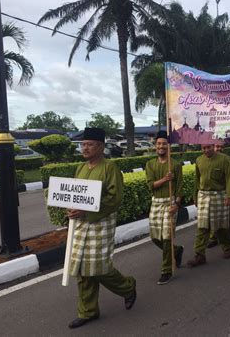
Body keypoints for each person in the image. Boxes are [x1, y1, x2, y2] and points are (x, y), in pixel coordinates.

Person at [67, 128, 136, 329]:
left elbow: (114, 198)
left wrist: (87, 212)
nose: (85, 148)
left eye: (89, 144)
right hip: (81, 223)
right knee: (82, 268)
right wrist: (71, 209)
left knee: (98, 266)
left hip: (101, 222)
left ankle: (128, 287)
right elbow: (74, 194)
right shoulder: (80, 168)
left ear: (101, 147)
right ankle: (88, 311)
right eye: (83, 144)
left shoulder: (110, 168)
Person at [187, 143, 230, 267]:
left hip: (219, 195)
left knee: (220, 226)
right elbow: (197, 180)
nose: (206, 150)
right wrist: (195, 197)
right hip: (203, 195)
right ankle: (199, 255)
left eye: (209, 147)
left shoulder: (225, 159)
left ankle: (227, 247)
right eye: (204, 148)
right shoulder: (199, 160)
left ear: (213, 146)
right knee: (202, 226)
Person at [145, 130, 184, 285]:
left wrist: (176, 204)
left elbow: (180, 187)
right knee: (155, 237)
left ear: (169, 146)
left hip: (170, 202)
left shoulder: (175, 164)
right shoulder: (150, 164)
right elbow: (151, 185)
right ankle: (177, 250)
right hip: (156, 202)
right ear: (155, 146)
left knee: (167, 237)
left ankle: (166, 270)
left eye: (164, 144)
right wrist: (165, 179)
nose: (161, 146)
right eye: (159, 143)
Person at [207, 142, 230, 247]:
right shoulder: (206, 159)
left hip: (225, 192)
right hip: (212, 194)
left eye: (221, 147)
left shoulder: (227, 159)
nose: (219, 148)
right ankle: (213, 237)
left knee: (227, 216)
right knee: (213, 217)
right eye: (217, 146)